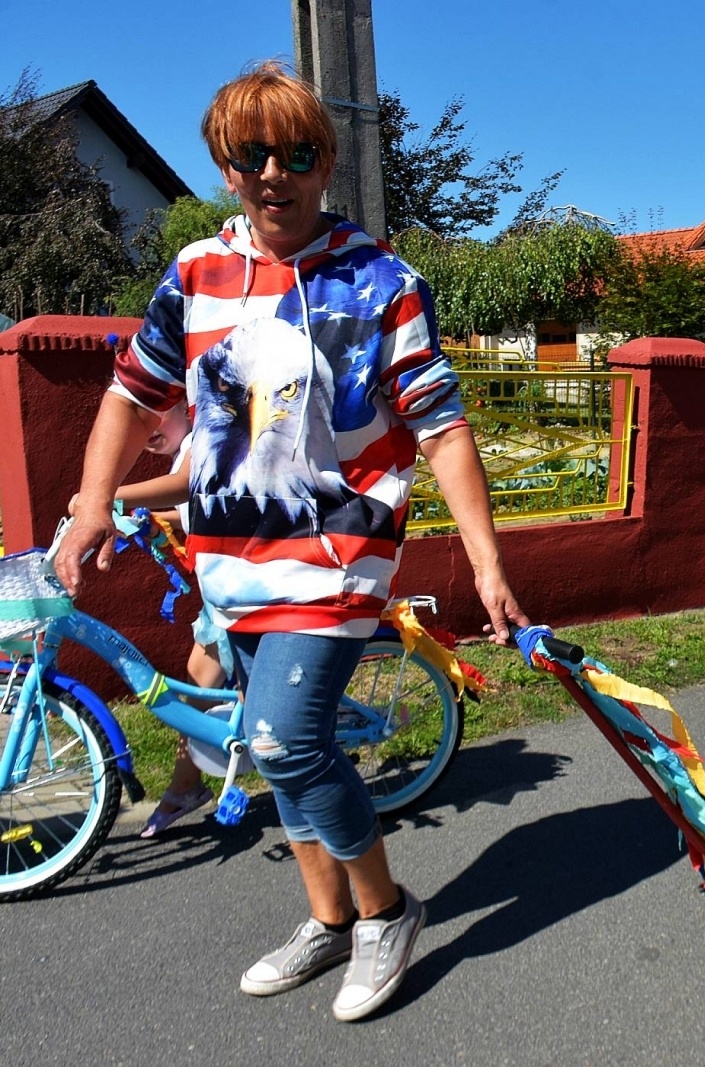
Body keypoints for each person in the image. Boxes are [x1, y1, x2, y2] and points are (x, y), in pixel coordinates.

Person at [55, 61, 525, 1023]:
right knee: (277, 752)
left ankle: (387, 913)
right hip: (228, 559)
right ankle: (327, 920)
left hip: (341, 555)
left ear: (327, 163)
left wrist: (485, 557)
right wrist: (97, 497)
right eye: (252, 154)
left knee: (283, 736)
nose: (276, 172)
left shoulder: (382, 280)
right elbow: (130, 395)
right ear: (227, 168)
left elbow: (440, 425)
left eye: (297, 153)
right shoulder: (195, 275)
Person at [75, 404, 227, 837]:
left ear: (187, 402)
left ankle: (186, 788)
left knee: (202, 681)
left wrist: (104, 497)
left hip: (241, 579)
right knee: (202, 678)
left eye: (155, 413)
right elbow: (194, 507)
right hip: (221, 582)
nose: (148, 429)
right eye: (139, 420)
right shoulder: (187, 449)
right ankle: (188, 786)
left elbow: (185, 485)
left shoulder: (204, 438)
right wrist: (152, 520)